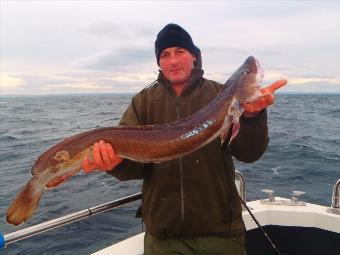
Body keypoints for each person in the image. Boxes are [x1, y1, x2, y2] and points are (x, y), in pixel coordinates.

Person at [82, 23, 287, 255]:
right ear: (159, 62)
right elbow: (134, 169)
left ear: (195, 57)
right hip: (164, 238)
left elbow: (249, 154)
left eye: (180, 51)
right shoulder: (143, 102)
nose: (173, 61)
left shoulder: (218, 95)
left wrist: (252, 116)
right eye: (165, 55)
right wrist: (115, 163)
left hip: (220, 234)